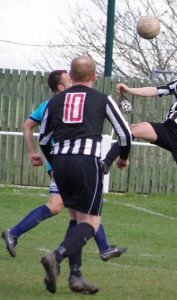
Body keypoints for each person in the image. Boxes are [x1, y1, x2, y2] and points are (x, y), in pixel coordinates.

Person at [1, 70, 127, 264]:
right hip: (65, 162)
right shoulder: (52, 105)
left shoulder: (70, 102)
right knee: (59, 207)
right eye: (68, 79)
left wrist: (36, 153)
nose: (73, 81)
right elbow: (27, 126)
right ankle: (16, 233)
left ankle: (101, 249)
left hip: (62, 163)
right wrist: (32, 152)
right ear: (60, 87)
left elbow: (32, 130)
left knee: (79, 207)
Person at [102, 51, 177, 251]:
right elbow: (155, 91)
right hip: (168, 129)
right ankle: (105, 164)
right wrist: (129, 90)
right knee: (132, 130)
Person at [38, 56, 132, 294]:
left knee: (75, 219)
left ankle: (76, 276)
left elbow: (44, 139)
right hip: (86, 164)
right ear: (94, 76)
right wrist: (122, 157)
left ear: (71, 75)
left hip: (60, 163)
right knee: (90, 223)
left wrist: (55, 163)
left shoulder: (55, 101)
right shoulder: (102, 99)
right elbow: (125, 135)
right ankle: (56, 256)